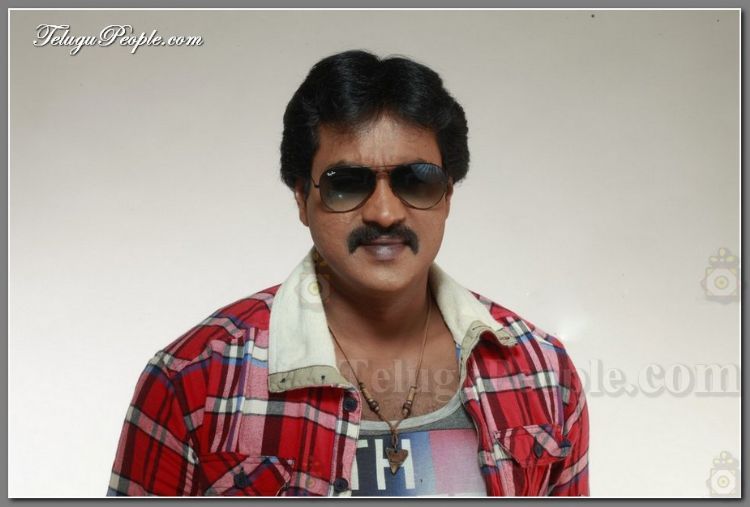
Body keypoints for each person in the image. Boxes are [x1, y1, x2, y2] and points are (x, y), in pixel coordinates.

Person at [107, 50, 589, 497]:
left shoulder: (543, 371)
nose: (384, 212)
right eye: (347, 184)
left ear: (447, 196)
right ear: (302, 198)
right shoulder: (193, 378)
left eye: (416, 181)